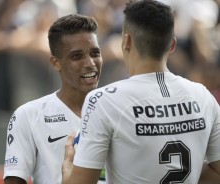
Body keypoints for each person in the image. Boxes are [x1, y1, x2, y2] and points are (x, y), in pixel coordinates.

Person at [61, 1, 220, 184]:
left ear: (126, 41)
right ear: (173, 44)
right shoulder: (202, 95)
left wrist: (67, 170)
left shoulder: (103, 100)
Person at [3, 14, 103, 184]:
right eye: (77, 56)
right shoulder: (28, 115)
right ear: (56, 63)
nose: (90, 63)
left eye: (95, 53)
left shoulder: (118, 110)